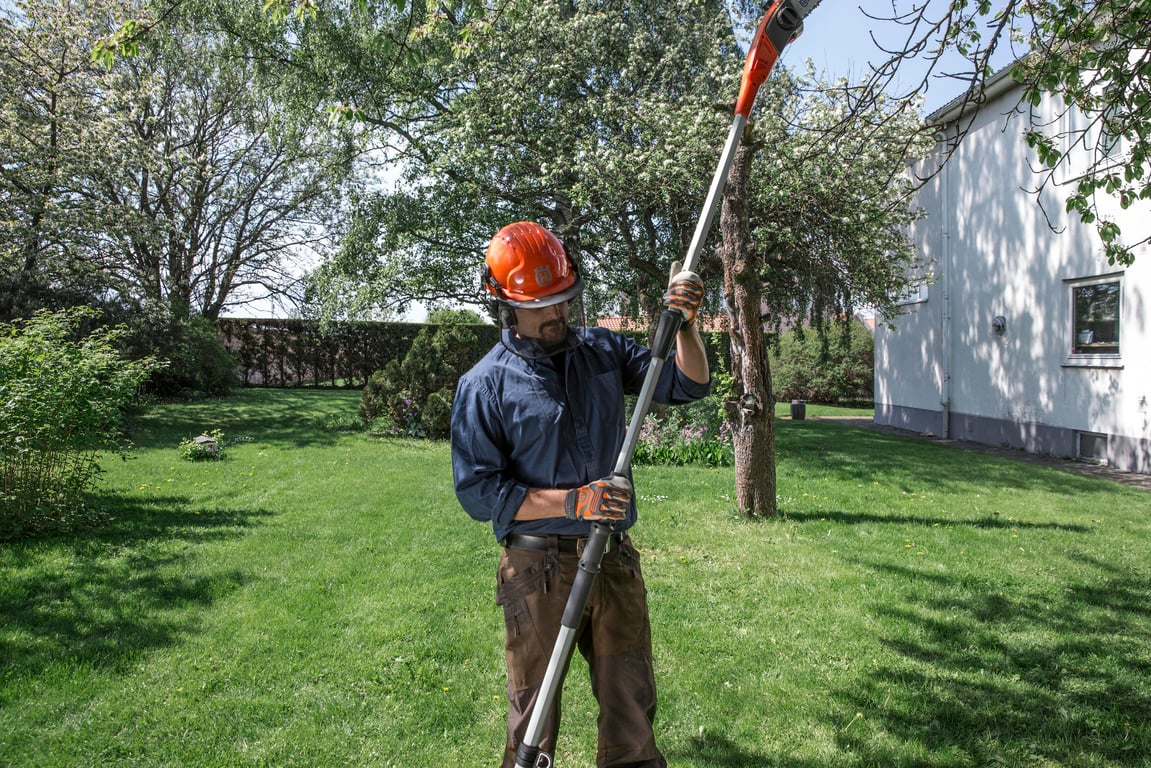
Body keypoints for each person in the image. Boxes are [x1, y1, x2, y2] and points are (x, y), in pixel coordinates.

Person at [450, 221, 710, 768]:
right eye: (541, 303)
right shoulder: (486, 384)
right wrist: (574, 502)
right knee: (533, 725)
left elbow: (687, 383)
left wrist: (684, 325)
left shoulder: (602, 351)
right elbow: (479, 492)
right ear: (504, 303)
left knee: (632, 715)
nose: (557, 312)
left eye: (564, 299)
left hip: (613, 563)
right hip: (537, 570)